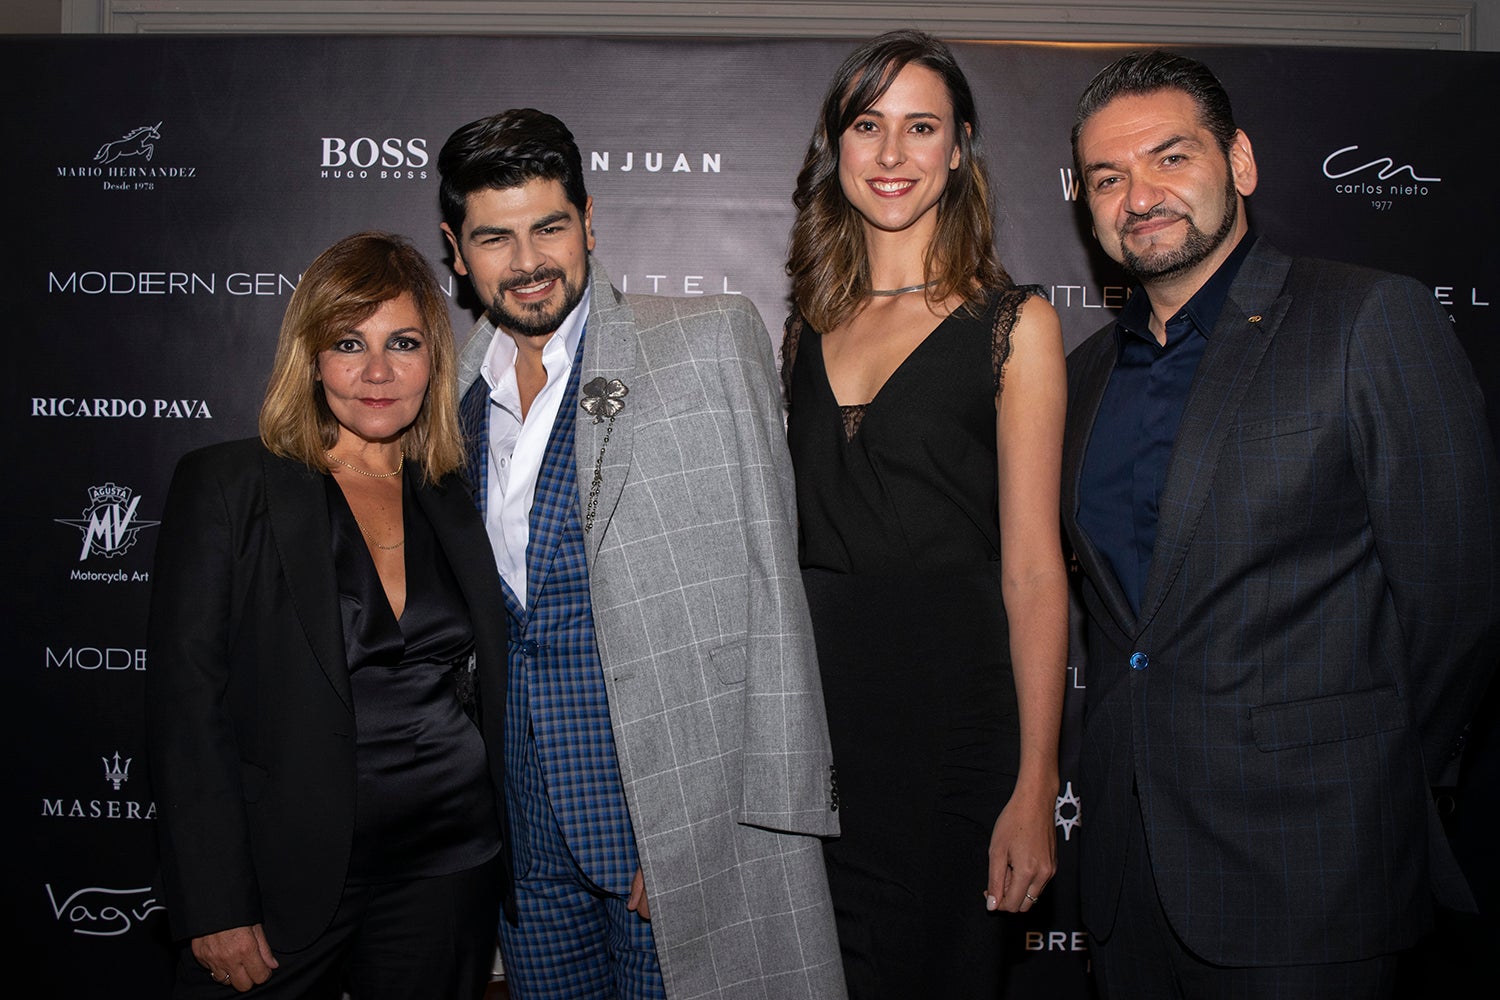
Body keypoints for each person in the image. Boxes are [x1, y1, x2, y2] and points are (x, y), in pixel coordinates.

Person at [1062, 50, 1500, 997]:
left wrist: (1371, 777)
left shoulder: (1366, 319)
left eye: (1170, 158)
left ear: (1241, 163)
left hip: (1314, 865)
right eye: (1107, 177)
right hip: (1129, 873)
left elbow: (1456, 598)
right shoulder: (1083, 377)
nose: (1140, 196)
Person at [437, 108, 845, 1000]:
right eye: (495, 238)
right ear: (457, 251)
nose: (529, 260)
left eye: (549, 227)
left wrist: (718, 835)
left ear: (588, 220)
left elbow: (770, 592)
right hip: (519, 840)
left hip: (664, 816)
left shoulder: (703, 343)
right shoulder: (444, 397)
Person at [782, 29, 1068, 998]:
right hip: (820, 729)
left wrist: (1035, 783)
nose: (893, 153)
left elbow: (1034, 570)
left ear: (959, 147)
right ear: (836, 146)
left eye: (921, 127)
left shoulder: (1016, 325)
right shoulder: (808, 325)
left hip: (954, 725)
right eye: (869, 126)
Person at [146, 232, 508, 997]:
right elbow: (187, 706)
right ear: (311, 358)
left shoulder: (454, 493)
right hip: (284, 872)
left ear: (433, 360)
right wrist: (215, 901)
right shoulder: (227, 486)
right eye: (349, 343)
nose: (378, 371)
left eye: (403, 343)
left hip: (448, 864)